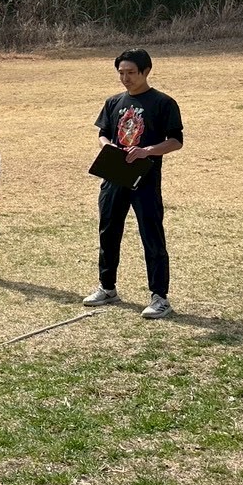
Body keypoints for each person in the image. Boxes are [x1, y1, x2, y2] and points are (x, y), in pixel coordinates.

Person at [83, 48, 184, 319]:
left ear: (146, 71)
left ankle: (159, 297)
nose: (125, 78)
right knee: (108, 231)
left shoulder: (163, 103)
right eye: (121, 73)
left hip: (145, 178)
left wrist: (146, 150)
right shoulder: (113, 102)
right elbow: (103, 133)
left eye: (130, 72)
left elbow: (176, 141)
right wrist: (108, 146)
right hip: (114, 174)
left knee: (151, 234)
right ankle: (107, 287)